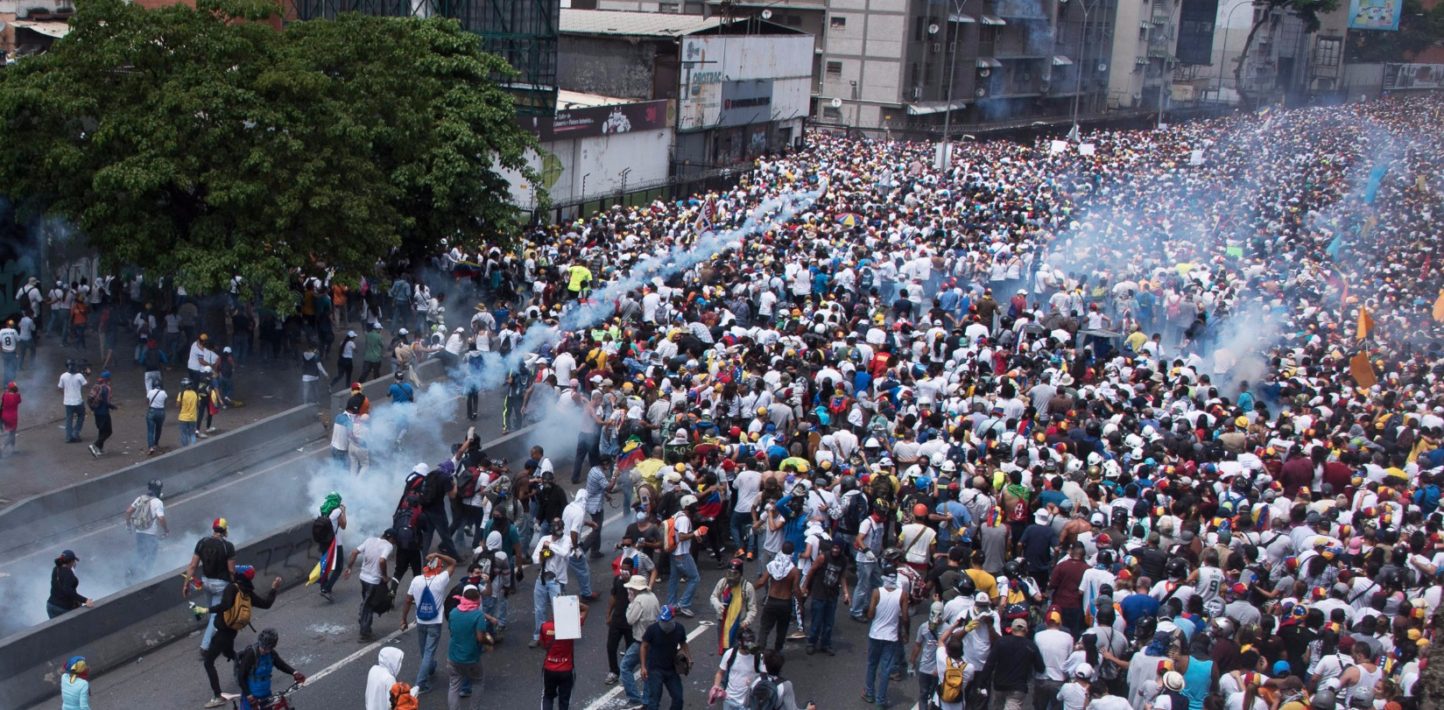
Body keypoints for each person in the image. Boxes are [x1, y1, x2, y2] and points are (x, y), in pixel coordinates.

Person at [200, 566, 282, 708]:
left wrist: (206, 610)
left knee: (208, 662)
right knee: (228, 653)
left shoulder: (232, 588)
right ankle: (246, 664)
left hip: (224, 632)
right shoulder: (247, 591)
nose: (233, 573)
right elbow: (266, 604)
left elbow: (225, 605)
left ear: (239, 576)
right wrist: (274, 588)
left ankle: (218, 696)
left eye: (236, 572)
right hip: (233, 631)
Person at [400, 552, 456, 695]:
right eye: (440, 566)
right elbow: (453, 563)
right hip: (435, 622)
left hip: (420, 621)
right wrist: (438, 554)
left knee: (424, 650)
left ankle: (430, 667)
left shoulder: (416, 580)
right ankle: (420, 684)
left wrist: (403, 619)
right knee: (429, 652)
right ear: (437, 568)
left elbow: (408, 600)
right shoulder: (440, 580)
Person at [184, 517, 236, 654]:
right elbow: (231, 570)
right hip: (221, 585)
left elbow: (192, 565)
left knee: (211, 611)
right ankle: (205, 646)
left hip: (206, 582)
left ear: (213, 529)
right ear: (225, 530)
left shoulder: (202, 542)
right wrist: (235, 585)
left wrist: (186, 584)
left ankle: (213, 635)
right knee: (215, 615)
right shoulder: (228, 546)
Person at [863, 564, 909, 707]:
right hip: (891, 637)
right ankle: (881, 700)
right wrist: (906, 632)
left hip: (875, 634)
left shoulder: (877, 592)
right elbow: (905, 617)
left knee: (872, 664)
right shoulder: (902, 594)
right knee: (886, 669)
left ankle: (869, 693)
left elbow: (870, 614)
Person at [344, 528, 396, 641]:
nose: (394, 543)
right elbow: (382, 560)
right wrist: (384, 576)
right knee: (368, 605)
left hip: (363, 577)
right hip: (373, 580)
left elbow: (354, 552)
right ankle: (365, 632)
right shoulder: (388, 546)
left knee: (367, 601)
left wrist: (349, 568)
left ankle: (364, 619)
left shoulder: (369, 540)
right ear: (391, 538)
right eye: (394, 540)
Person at [234, 628, 305, 710]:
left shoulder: (271, 654)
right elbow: (241, 676)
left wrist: (295, 672)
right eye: (262, 647)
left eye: (267, 648)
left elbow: (281, 665)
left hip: (266, 694)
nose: (263, 650)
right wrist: (249, 695)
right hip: (251, 697)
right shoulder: (251, 654)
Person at [447, 584, 493, 710]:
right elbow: (480, 638)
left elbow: (451, 631)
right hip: (471, 657)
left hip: (453, 656)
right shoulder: (478, 615)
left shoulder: (453, 613)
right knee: (478, 682)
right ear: (477, 599)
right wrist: (489, 642)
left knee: (454, 686)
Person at [540, 600, 589, 710]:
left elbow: (543, 645)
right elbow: (585, 608)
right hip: (566, 670)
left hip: (549, 669)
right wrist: (571, 602)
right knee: (564, 700)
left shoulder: (544, 627)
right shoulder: (571, 625)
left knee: (547, 697)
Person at [531, 518, 573, 647]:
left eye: (560, 528)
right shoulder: (545, 539)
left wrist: (550, 546)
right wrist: (543, 555)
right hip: (542, 578)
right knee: (539, 609)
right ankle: (539, 636)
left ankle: (562, 637)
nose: (558, 531)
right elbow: (535, 558)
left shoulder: (567, 540)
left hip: (557, 581)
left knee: (559, 610)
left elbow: (564, 553)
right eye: (556, 528)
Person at [621, 572, 661, 706]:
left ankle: (634, 698)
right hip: (654, 640)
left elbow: (630, 619)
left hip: (641, 641)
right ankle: (647, 700)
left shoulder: (638, 601)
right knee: (648, 670)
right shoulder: (653, 596)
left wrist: (631, 603)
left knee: (625, 667)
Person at [640, 604, 690, 710]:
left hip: (671, 669)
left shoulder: (680, 629)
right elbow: (644, 646)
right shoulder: (652, 629)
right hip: (655, 669)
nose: (664, 623)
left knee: (678, 698)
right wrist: (643, 666)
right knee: (654, 701)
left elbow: (683, 643)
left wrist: (688, 658)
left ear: (673, 618)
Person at [710, 557, 759, 654]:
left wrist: (746, 622)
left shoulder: (747, 587)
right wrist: (718, 605)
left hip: (738, 625)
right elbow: (713, 596)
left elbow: (752, 609)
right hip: (722, 622)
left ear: (740, 574)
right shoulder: (723, 582)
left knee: (736, 651)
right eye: (729, 573)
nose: (731, 577)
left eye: (735, 573)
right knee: (724, 648)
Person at [123, 479, 168, 582]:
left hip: (139, 532)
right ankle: (147, 576)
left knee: (140, 553)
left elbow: (128, 511)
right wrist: (166, 530)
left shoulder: (140, 498)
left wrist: (128, 526)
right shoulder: (158, 502)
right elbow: (161, 518)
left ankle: (131, 571)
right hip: (151, 535)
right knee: (151, 555)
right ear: (159, 490)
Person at [665, 495, 702, 616]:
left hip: (674, 553)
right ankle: (683, 605)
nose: (696, 508)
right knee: (695, 578)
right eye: (693, 506)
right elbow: (681, 536)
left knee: (674, 579)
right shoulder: (684, 519)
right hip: (682, 554)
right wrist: (696, 533)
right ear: (687, 506)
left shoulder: (678, 515)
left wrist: (694, 534)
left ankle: (671, 605)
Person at [712, 627, 761, 710]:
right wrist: (716, 686)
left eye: (751, 643)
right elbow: (720, 673)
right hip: (729, 699)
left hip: (749, 703)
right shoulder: (730, 654)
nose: (750, 646)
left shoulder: (758, 657)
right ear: (739, 642)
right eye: (747, 643)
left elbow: (765, 677)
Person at [316, 491, 348, 601]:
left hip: (324, 542)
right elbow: (343, 526)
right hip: (336, 543)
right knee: (338, 567)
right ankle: (326, 589)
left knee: (325, 565)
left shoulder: (322, 510)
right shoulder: (337, 511)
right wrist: (343, 512)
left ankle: (323, 586)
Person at [47, 549, 91, 618]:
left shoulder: (56, 569)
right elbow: (68, 590)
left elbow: (62, 581)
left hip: (51, 605)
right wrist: (85, 600)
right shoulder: (68, 573)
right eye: (74, 561)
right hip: (63, 607)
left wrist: (71, 570)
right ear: (71, 562)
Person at [57, 360, 86, 443]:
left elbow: (59, 388)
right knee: (81, 416)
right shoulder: (79, 375)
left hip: (67, 402)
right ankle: (75, 432)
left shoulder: (63, 376)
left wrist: (65, 394)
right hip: (78, 401)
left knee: (69, 419)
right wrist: (88, 375)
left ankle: (68, 437)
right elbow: (86, 385)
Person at [143, 379, 167, 455]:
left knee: (150, 431)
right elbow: (165, 402)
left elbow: (147, 401)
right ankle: (156, 443)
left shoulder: (150, 392)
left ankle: (151, 447)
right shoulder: (164, 393)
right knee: (158, 428)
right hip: (161, 412)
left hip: (152, 411)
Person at [176, 378, 199, 447]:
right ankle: (193, 447)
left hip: (183, 417)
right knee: (192, 433)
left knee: (184, 434)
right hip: (193, 417)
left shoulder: (181, 394)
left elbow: (177, 405)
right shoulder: (195, 393)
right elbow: (199, 404)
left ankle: (185, 449)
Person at [0, 380, 19, 457]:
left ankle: (12, 450)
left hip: (4, 416)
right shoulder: (17, 396)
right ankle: (2, 447)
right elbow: (19, 401)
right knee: (12, 434)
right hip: (12, 417)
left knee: (12, 433)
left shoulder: (5, 394)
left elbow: (2, 403)